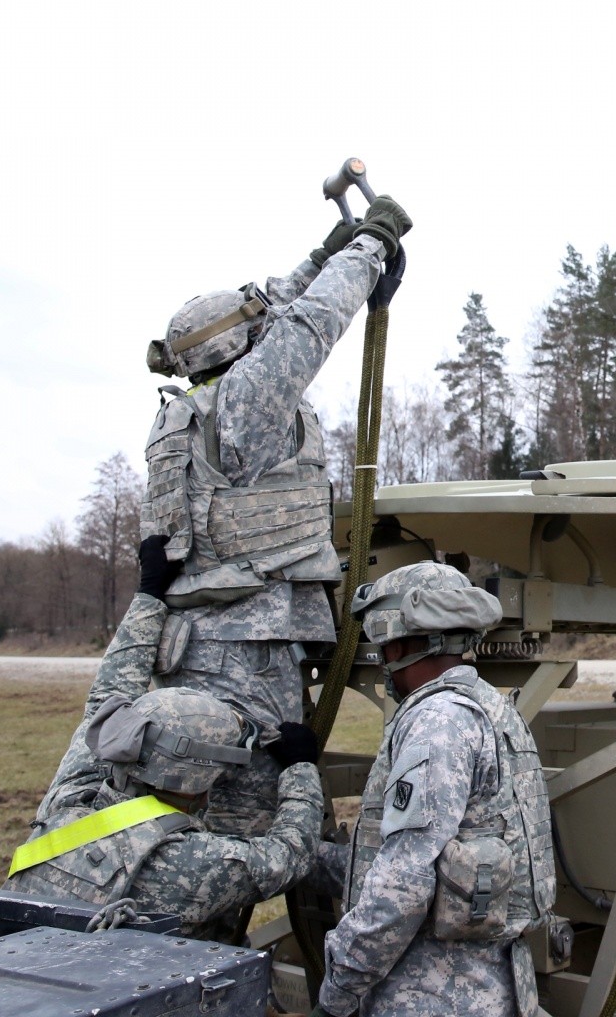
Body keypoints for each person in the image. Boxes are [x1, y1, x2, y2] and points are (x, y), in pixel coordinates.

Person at [140, 196, 409, 837]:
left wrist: (324, 251)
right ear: (242, 348)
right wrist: (371, 247)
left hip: (200, 645)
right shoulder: (247, 403)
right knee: (263, 825)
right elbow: (310, 323)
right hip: (246, 660)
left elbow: (274, 308)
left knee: (218, 816)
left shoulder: (189, 410)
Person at [5, 536, 323, 943]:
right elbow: (291, 855)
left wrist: (149, 594)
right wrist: (300, 768)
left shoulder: (69, 802)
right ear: (198, 781)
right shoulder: (187, 866)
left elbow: (107, 695)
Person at [311, 561, 555, 1017]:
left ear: (399, 641)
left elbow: (403, 883)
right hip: (487, 986)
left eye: (383, 645)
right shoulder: (491, 708)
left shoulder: (437, 721)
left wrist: (338, 992)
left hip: (433, 993)